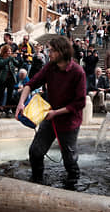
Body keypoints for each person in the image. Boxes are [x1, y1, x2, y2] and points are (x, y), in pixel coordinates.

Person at [16, 36, 86, 184]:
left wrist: (56, 112)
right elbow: (30, 84)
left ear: (62, 51)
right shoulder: (50, 67)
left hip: (69, 121)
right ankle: (37, 182)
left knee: (69, 161)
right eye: (49, 50)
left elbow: (80, 103)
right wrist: (21, 103)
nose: (49, 53)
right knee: (35, 152)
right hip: (51, 117)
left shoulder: (78, 72)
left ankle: (73, 189)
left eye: (53, 50)